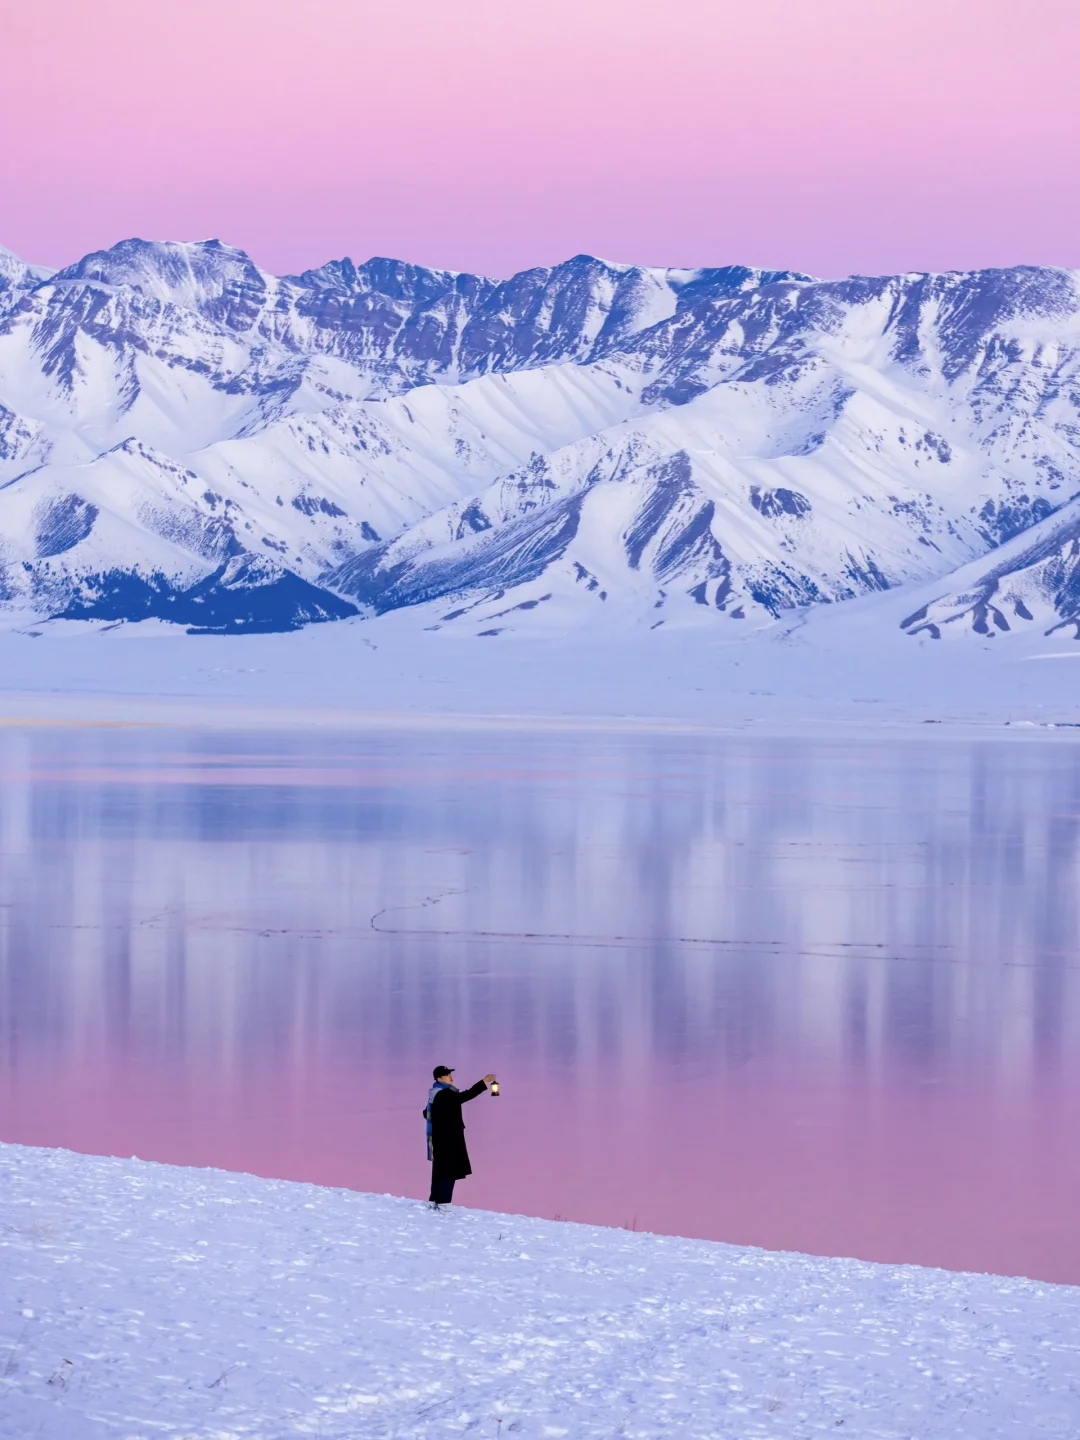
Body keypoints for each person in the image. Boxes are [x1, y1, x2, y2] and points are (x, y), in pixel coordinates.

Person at [424, 1065, 496, 1207]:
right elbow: (465, 1096)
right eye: (446, 1074)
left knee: (439, 1171)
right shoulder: (445, 1094)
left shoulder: (435, 1093)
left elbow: (426, 1113)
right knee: (448, 1171)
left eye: (450, 1073)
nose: (450, 1076)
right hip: (448, 1140)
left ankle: (434, 1202)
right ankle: (444, 1204)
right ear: (439, 1078)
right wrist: (484, 1082)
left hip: (439, 1139)